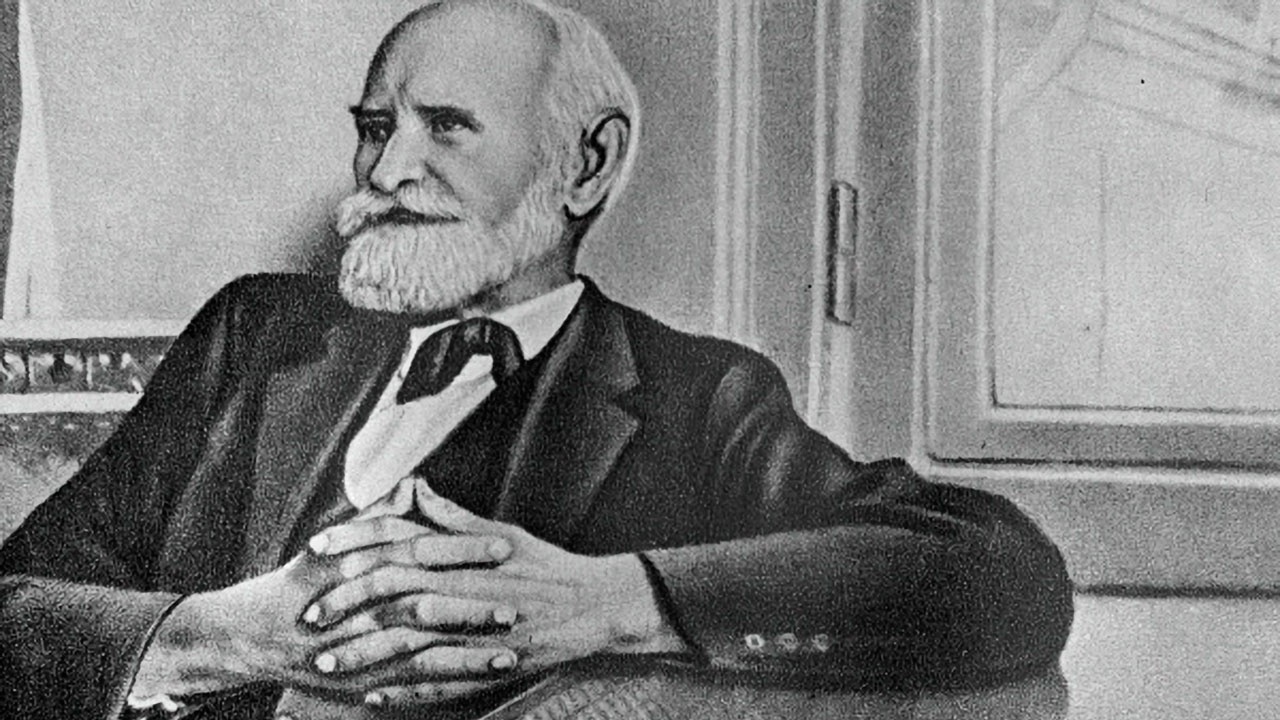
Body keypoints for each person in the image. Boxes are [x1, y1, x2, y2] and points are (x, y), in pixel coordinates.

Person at [0, 1, 1074, 718]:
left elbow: (1000, 575)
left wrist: (609, 599)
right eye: (375, 127)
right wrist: (220, 635)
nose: (387, 170)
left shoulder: (695, 395)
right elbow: (17, 607)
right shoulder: (255, 338)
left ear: (586, 164)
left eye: (445, 127)